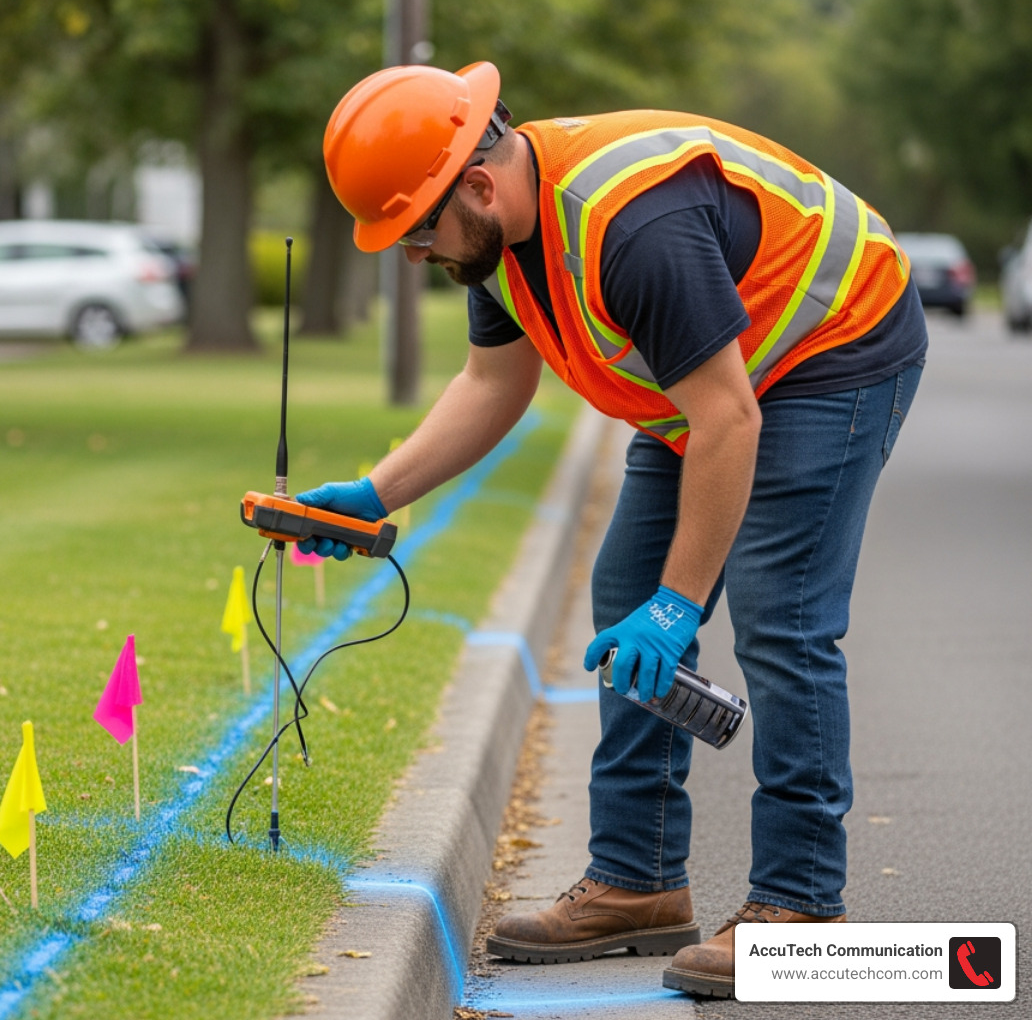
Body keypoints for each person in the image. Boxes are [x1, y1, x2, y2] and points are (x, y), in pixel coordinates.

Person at [298, 62, 927, 999]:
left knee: (780, 616)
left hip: (833, 344)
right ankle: (640, 880)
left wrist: (679, 608)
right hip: (708, 384)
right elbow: (492, 384)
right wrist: (375, 493)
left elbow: (729, 421)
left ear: (478, 185)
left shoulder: (630, 227)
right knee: (626, 592)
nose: (416, 254)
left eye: (419, 229)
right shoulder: (498, 241)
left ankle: (800, 908)